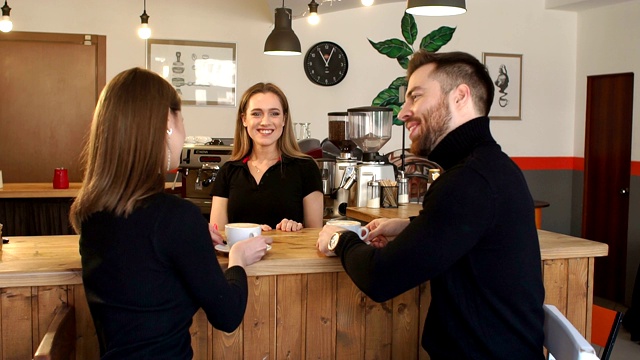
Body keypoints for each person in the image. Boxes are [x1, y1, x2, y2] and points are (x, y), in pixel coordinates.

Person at [317, 51, 545, 359]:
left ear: (460, 96)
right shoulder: (491, 167)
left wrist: (339, 238)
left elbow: (379, 277)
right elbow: (465, 235)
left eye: (415, 97)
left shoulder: (468, 180)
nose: (403, 113)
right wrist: (412, 228)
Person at [70, 68, 272, 359]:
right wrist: (238, 259)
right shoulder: (175, 217)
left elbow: (150, 287)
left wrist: (192, 244)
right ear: (167, 122)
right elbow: (227, 315)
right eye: (182, 121)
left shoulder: (91, 213)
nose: (184, 133)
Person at [209, 82, 323, 232]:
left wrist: (297, 230)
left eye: (274, 113)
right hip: (240, 256)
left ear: (284, 119)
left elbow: (315, 236)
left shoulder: (306, 168)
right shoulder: (228, 171)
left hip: (289, 255)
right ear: (244, 119)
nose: (265, 122)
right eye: (256, 113)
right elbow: (217, 236)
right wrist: (250, 233)